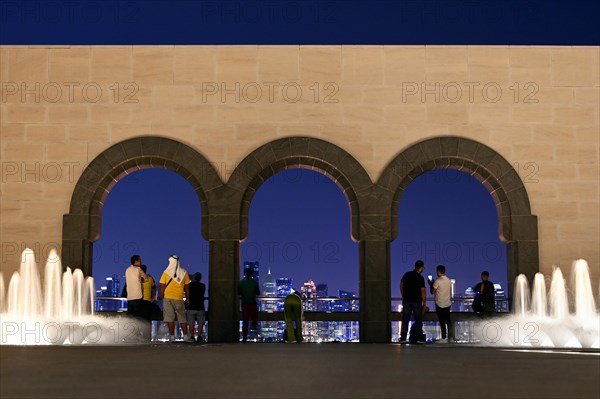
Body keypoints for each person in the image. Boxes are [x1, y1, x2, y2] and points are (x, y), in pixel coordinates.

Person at [159, 255, 193, 342]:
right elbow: (187, 288)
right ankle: (185, 336)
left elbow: (162, 286)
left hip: (168, 298)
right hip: (179, 298)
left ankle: (172, 337)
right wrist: (188, 298)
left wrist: (162, 295)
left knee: (170, 318)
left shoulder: (166, 272)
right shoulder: (184, 272)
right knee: (182, 318)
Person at [399, 260, 427, 344]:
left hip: (407, 300)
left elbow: (401, 284)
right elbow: (423, 291)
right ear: (421, 268)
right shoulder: (420, 278)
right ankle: (419, 338)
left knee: (405, 319)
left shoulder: (407, 274)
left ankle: (403, 338)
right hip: (417, 301)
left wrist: (403, 295)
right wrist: (424, 303)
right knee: (418, 319)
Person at [430, 265, 454, 343]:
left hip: (439, 303)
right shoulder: (449, 280)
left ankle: (443, 338)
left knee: (442, 321)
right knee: (448, 321)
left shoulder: (438, 281)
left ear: (438, 272)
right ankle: (451, 337)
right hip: (447, 303)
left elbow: (432, 292)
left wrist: (431, 284)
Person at [237, 267, 260, 342]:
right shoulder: (255, 283)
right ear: (252, 274)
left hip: (244, 304)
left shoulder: (241, 283)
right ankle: (256, 332)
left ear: (245, 274)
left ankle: (244, 337)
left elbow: (238, 293)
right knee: (254, 318)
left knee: (245, 321)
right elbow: (258, 293)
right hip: (253, 303)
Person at [125, 255, 147, 319]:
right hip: (138, 297)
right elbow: (145, 278)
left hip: (129, 297)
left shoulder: (127, 270)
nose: (141, 262)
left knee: (130, 318)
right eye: (140, 260)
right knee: (138, 317)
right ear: (136, 261)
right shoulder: (138, 269)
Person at [186, 272, 206, 343]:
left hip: (191, 306)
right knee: (200, 322)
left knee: (191, 322)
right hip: (200, 306)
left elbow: (186, 291)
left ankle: (192, 336)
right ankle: (199, 336)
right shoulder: (203, 286)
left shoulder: (189, 285)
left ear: (194, 278)